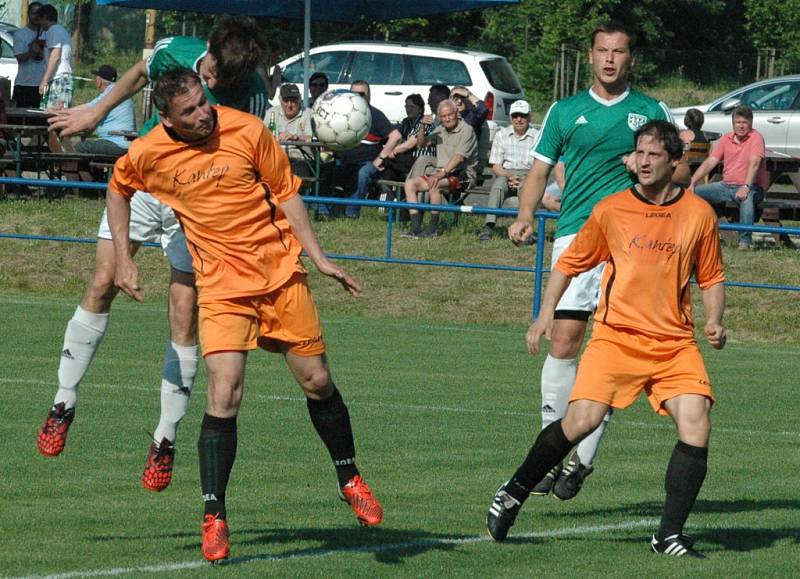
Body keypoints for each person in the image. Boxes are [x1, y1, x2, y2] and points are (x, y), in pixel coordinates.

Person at [107, 67, 383, 562]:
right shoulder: (149, 152)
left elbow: (287, 193)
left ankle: (349, 476)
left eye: (203, 101)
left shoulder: (249, 130)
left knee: (317, 381)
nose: (202, 113)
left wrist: (318, 258)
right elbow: (118, 186)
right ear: (166, 118)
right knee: (224, 390)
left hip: (279, 273)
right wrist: (125, 257)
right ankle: (214, 515)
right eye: (188, 111)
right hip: (220, 287)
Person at [36, 16, 270, 495]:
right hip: (143, 185)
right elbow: (141, 71)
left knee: (184, 311)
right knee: (102, 281)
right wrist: (95, 113)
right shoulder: (177, 50)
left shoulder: (251, 92)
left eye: (219, 86)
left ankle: (165, 439)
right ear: (205, 51)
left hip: (199, 200)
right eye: (209, 76)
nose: (210, 88)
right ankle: (63, 402)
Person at [487, 120, 726, 560]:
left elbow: (710, 276)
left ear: (676, 162)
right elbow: (569, 264)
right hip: (616, 339)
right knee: (582, 422)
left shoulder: (698, 214)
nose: (645, 161)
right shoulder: (612, 209)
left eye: (655, 154)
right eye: (640, 153)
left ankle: (668, 536)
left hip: (674, 345)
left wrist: (713, 320)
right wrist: (544, 315)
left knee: (697, 424)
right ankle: (513, 491)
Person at [507, 22, 679, 499]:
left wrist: (647, 167)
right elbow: (539, 170)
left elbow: (678, 166)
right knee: (563, 341)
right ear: (589, 56)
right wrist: (524, 214)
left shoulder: (649, 111)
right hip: (576, 236)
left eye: (618, 51)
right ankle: (551, 453)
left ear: (631, 59)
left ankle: (582, 459)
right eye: (602, 50)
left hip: (633, 243)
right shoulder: (566, 111)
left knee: (615, 350)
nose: (609, 59)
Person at [317, 80, 402, 219]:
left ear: (369, 96)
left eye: (361, 94)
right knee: (325, 167)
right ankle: (323, 212)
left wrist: (379, 160)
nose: (357, 97)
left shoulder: (375, 115)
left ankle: (352, 213)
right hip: (343, 161)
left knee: (362, 173)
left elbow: (396, 136)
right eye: (353, 93)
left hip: (367, 163)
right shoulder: (341, 113)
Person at [690, 105, 767, 250]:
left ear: (751, 123)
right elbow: (711, 161)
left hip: (752, 187)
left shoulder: (756, 138)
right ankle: (695, 233)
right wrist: (692, 181)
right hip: (726, 186)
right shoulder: (726, 138)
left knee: (746, 198)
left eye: (744, 122)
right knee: (692, 193)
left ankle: (745, 241)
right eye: (738, 122)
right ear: (733, 123)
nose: (741, 126)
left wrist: (746, 186)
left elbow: (755, 163)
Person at [403, 99, 478, 238]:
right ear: (440, 118)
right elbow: (421, 145)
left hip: (463, 175)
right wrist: (422, 127)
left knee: (435, 184)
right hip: (441, 173)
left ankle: (433, 228)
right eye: (443, 116)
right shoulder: (440, 129)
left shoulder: (467, 130)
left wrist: (440, 174)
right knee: (410, 184)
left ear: (456, 113)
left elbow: (459, 158)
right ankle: (415, 227)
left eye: (450, 114)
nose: (447, 118)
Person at [479, 99, 537, 242]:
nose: (519, 119)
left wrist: (526, 178)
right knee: (498, 187)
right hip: (506, 173)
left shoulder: (537, 136)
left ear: (529, 117)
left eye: (523, 116)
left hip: (529, 174)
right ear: (510, 117)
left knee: (527, 189)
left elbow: (539, 166)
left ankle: (525, 229)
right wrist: (509, 176)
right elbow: (496, 166)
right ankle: (489, 226)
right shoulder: (501, 134)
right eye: (515, 115)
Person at [72, 65, 136, 158]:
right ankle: (93, 172)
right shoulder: (120, 91)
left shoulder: (109, 94)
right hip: (129, 144)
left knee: (79, 148)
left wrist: (62, 112)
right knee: (90, 145)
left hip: (115, 144)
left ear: (99, 82)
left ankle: (87, 172)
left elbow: (87, 109)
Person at [264, 83, 313, 177]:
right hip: (275, 157)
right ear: (280, 100)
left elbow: (311, 138)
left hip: (301, 158)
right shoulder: (271, 113)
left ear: (299, 99)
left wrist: (295, 137)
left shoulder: (309, 114)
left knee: (297, 169)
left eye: (293, 101)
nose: (289, 105)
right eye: (286, 101)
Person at [37, 4, 72, 109]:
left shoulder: (54, 30)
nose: (39, 23)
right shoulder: (57, 30)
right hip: (57, 78)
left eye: (40, 19)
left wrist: (44, 80)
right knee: (49, 112)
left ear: (45, 18)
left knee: (56, 115)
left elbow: (55, 56)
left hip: (59, 79)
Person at [12, 2, 46, 108]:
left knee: (40, 121)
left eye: (39, 13)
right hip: (24, 84)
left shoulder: (48, 33)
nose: (36, 16)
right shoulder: (20, 34)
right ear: (28, 14)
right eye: (33, 13)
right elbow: (20, 58)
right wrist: (32, 52)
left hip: (42, 84)